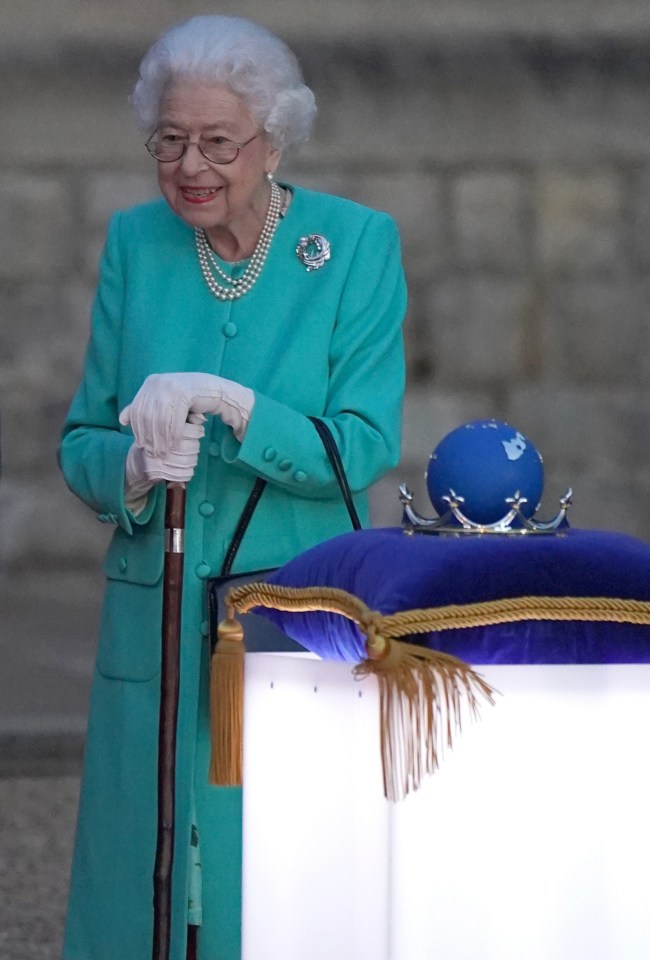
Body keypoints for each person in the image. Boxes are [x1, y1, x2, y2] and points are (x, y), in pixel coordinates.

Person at [59, 14, 406, 960]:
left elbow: (365, 445)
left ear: (273, 139)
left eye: (217, 141)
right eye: (169, 140)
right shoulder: (138, 244)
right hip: (155, 612)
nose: (190, 165)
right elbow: (83, 434)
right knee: (146, 868)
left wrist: (242, 409)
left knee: (275, 868)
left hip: (287, 613)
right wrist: (128, 468)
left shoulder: (355, 246)